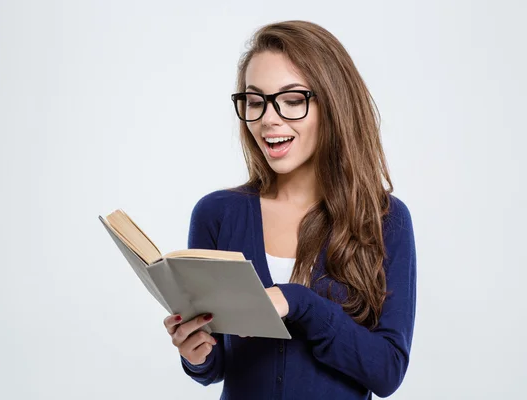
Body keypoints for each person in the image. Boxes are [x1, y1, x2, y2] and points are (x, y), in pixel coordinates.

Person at [163, 20, 417, 399]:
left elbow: (387, 372)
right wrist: (195, 353)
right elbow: (214, 367)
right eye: (254, 101)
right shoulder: (217, 214)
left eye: (293, 100)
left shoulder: (384, 219)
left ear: (332, 104)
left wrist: (298, 302)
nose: (268, 119)